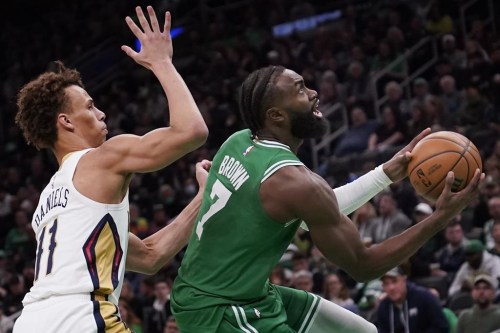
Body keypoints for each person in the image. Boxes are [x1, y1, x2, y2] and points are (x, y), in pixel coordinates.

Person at [170, 65, 483, 333]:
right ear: (276, 115)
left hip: (237, 290)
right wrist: (439, 217)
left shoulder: (238, 141)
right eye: (301, 90)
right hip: (220, 310)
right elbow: (364, 266)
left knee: (362, 330)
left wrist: (384, 174)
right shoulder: (293, 182)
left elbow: (315, 209)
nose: (313, 93)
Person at [12, 6, 208, 333]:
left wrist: (204, 197)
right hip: (83, 317)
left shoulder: (45, 205)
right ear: (66, 122)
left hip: (30, 322)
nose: (101, 113)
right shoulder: (105, 156)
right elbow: (192, 132)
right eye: (90, 106)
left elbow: (149, 256)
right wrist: (161, 63)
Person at [377, 266, 449, 333]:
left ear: (404, 280)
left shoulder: (424, 297)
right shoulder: (383, 307)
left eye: (394, 281)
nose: (391, 288)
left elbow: (442, 327)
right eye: (386, 284)